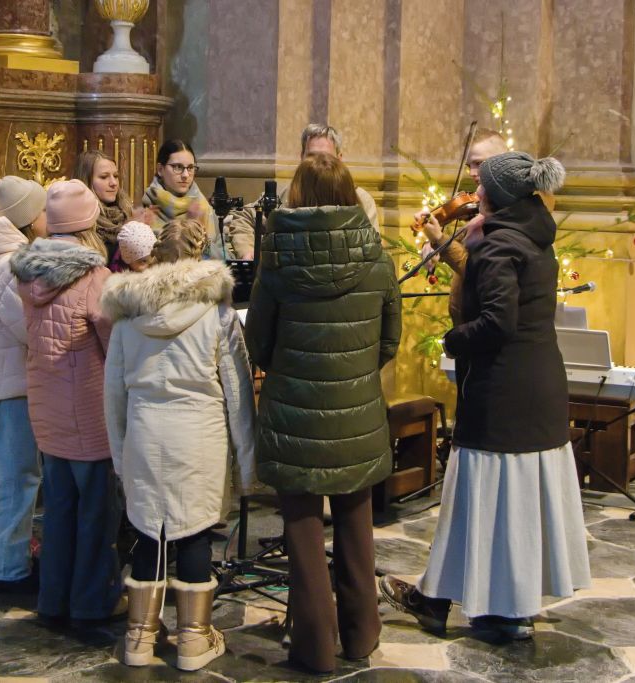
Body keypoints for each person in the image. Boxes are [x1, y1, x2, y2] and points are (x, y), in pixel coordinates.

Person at [381, 152, 591, 641]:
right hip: (537, 384)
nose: (474, 192)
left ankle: (465, 604)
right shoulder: (532, 234)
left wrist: (453, 340)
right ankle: (492, 604)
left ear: (497, 195)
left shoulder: (499, 246)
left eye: (482, 187)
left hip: (503, 390)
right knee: (513, 502)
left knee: (483, 496)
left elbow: (498, 322)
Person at [244, 152, 401, 674]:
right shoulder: (376, 256)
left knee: (303, 530)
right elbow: (388, 340)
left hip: (294, 412)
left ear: (299, 194)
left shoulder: (278, 257)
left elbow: (258, 342)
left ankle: (313, 648)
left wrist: (291, 370)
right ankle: (361, 635)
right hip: (357, 411)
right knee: (357, 523)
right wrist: (354, 374)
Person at [102, 217, 255, 671]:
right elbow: (238, 393)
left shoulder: (128, 317)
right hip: (198, 434)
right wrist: (248, 462)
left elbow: (113, 395)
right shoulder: (218, 315)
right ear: (201, 253)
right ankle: (193, 639)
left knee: (149, 531)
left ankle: (139, 636)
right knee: (193, 531)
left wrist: (119, 455)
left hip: (145, 432)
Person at [9, 179, 123, 623]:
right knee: (96, 513)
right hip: (88, 412)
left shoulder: (28, 274)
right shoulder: (94, 278)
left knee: (57, 511)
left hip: (47, 408)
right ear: (88, 223)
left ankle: (53, 600)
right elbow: (115, 347)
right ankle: (91, 603)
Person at [0, 176, 47, 588]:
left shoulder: (8, 259)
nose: (48, 216)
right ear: (29, 218)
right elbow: (27, 327)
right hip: (12, 384)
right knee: (17, 478)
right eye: (43, 209)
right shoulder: (9, 264)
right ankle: (4, 569)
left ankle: (8, 562)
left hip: (12, 380)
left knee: (19, 477)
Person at [228, 124, 380, 258]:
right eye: (311, 157)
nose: (317, 165)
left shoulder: (360, 199)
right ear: (301, 158)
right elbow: (244, 217)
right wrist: (248, 251)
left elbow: (371, 250)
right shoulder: (286, 194)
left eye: (325, 157)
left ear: (339, 159)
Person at [420, 128, 509, 324]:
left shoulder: (507, 211)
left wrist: (439, 240)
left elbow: (476, 270)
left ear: (502, 161)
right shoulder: (480, 204)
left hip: (483, 324)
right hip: (466, 322)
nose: (472, 173)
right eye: (469, 166)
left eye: (479, 164)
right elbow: (456, 239)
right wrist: (432, 245)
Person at [141, 139, 236, 260]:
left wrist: (199, 236)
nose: (185, 175)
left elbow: (227, 259)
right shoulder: (146, 210)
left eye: (190, 168)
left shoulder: (204, 209)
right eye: (177, 167)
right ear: (160, 169)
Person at [74, 149, 140, 265]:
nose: (113, 183)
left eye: (116, 176)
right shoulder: (79, 225)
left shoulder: (128, 214)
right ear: (86, 181)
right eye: (104, 177)